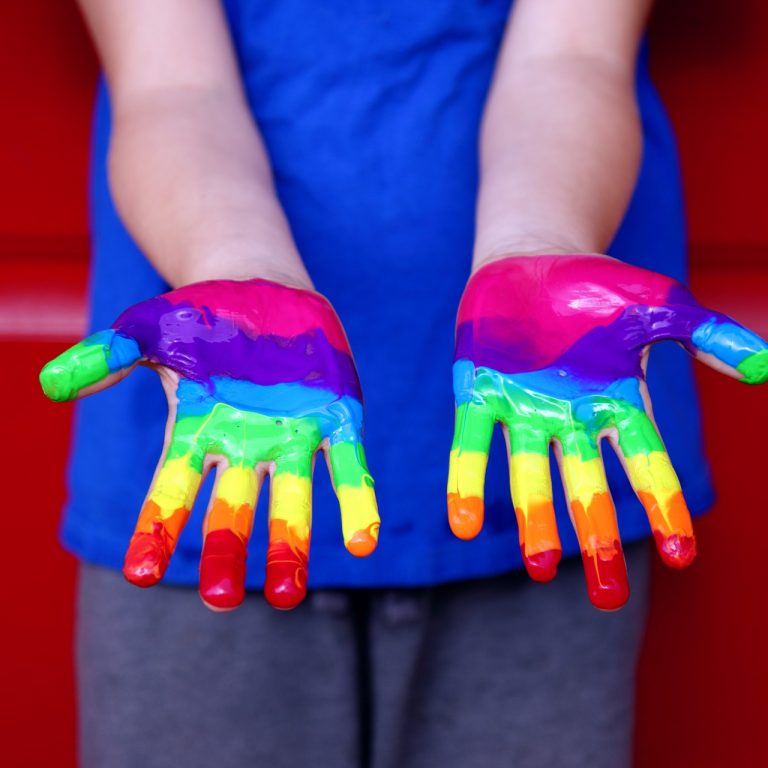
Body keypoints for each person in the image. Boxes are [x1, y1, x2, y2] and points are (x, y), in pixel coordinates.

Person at [43, 1, 768, 767]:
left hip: (548, 446)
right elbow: (172, 86)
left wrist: (535, 250)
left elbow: (573, 57)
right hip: (215, 456)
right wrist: (239, 280)